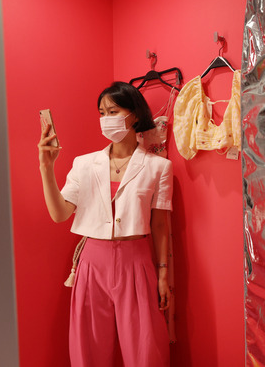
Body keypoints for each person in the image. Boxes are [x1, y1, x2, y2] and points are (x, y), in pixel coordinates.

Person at [38, 82, 172, 366]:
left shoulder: (159, 167)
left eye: (113, 111)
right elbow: (59, 213)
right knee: (88, 348)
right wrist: (46, 168)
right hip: (92, 263)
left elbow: (160, 225)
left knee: (145, 348)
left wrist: (163, 274)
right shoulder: (84, 164)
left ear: (134, 114)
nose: (106, 118)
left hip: (136, 261)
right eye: (102, 112)